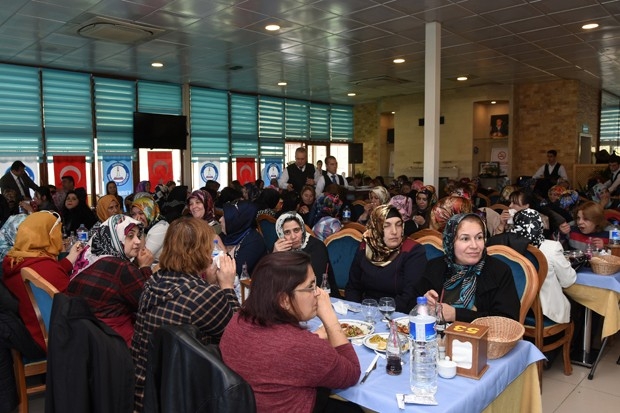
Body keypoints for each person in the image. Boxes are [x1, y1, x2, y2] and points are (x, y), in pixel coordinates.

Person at [220, 252, 361, 413]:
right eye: (311, 287)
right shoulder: (301, 346)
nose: (318, 293)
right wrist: (330, 317)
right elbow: (352, 373)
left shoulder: (238, 319)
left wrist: (314, 338)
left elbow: (275, 352)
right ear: (284, 300)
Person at [131, 217, 239, 411]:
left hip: (143, 391)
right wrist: (227, 287)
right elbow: (239, 334)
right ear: (201, 251)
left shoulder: (152, 282)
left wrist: (209, 284)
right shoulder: (204, 296)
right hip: (180, 398)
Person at [1, 211, 83, 351]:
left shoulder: (15, 260)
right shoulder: (46, 267)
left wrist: (70, 258)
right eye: (57, 232)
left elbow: (45, 275)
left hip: (29, 333)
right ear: (48, 236)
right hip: (52, 339)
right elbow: (73, 305)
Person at [67, 215, 154, 346]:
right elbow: (149, 305)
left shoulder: (86, 259)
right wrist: (145, 267)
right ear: (115, 236)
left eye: (138, 236)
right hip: (115, 344)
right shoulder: (123, 268)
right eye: (130, 236)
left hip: (81, 342)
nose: (137, 241)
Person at [416, 213, 520, 322]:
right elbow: (409, 306)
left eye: (479, 237)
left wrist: (456, 315)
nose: (474, 246)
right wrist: (423, 303)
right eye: (465, 239)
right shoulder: (435, 267)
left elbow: (507, 321)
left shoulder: (499, 271)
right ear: (450, 242)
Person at [345, 205, 427, 313]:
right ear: (376, 228)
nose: (394, 231)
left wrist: (382, 314)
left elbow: (409, 296)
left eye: (398, 225)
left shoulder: (413, 251)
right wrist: (355, 312)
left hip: (398, 313)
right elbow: (353, 288)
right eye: (386, 226)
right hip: (366, 311)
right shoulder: (366, 247)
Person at [509, 209, 576, 323]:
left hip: (514, 309)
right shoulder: (552, 247)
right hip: (546, 312)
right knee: (576, 311)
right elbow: (567, 281)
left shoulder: (507, 247)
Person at [273, 212, 340, 297]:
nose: (293, 236)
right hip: (287, 296)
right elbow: (268, 280)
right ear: (281, 234)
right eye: (287, 232)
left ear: (302, 230)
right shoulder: (279, 247)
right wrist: (274, 256)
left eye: (296, 230)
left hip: (320, 297)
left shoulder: (317, 247)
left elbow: (312, 284)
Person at [220, 200, 268, 276]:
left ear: (237, 221)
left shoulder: (254, 242)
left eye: (225, 217)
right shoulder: (229, 235)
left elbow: (236, 272)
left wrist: (221, 247)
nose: (220, 219)